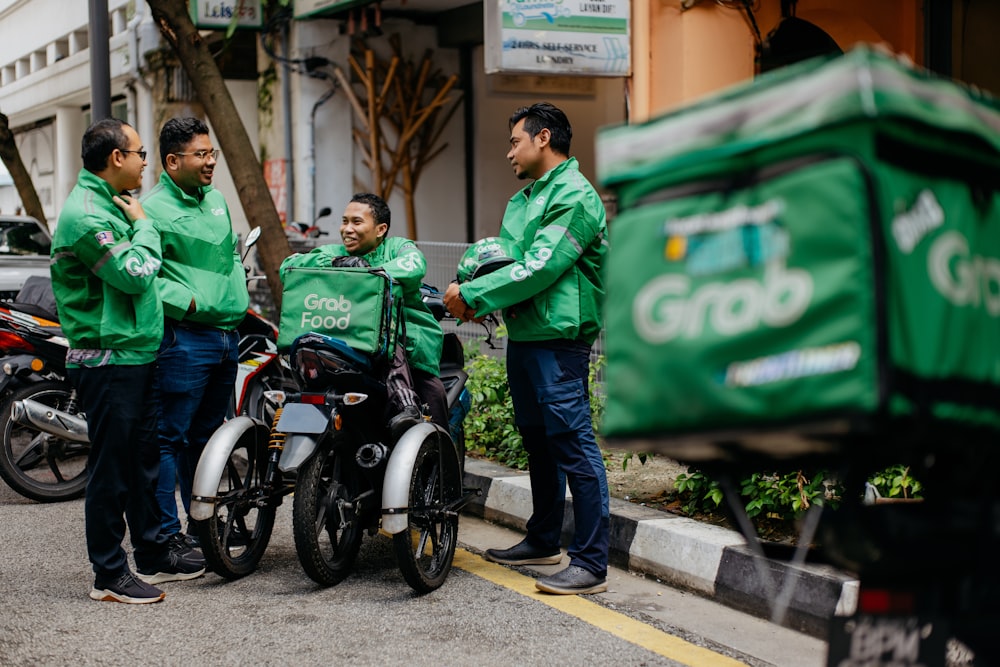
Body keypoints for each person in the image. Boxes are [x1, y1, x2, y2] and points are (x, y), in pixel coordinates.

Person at [444, 102, 610, 595]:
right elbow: (508, 262)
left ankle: (591, 563)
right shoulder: (525, 199)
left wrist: (471, 296)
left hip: (559, 339)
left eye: (515, 141)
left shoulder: (574, 196)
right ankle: (543, 539)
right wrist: (469, 280)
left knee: (573, 442)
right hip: (527, 334)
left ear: (542, 138)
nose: (509, 151)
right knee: (538, 440)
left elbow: (540, 267)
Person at [50, 118, 205, 605]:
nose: (145, 161)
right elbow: (136, 275)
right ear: (116, 158)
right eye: (139, 153)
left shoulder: (112, 202)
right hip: (108, 360)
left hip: (136, 353)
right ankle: (108, 575)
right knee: (113, 469)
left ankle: (154, 555)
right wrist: (145, 227)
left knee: (142, 464)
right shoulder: (87, 215)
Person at [141, 117, 249, 551]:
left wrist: (235, 292)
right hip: (184, 339)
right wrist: (187, 303)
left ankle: (202, 527)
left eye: (212, 154)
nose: (209, 163)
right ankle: (167, 535)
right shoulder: (151, 209)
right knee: (171, 438)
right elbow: (147, 273)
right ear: (172, 161)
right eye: (200, 155)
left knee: (206, 440)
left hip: (225, 337)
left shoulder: (218, 200)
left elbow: (229, 258)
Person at [280, 193, 448, 432]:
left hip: (404, 342)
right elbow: (289, 267)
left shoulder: (397, 247)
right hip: (344, 340)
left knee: (434, 397)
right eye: (344, 221)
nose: (347, 229)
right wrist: (336, 264)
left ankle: (433, 448)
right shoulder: (333, 251)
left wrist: (369, 271)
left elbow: (414, 264)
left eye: (356, 222)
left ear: (380, 229)